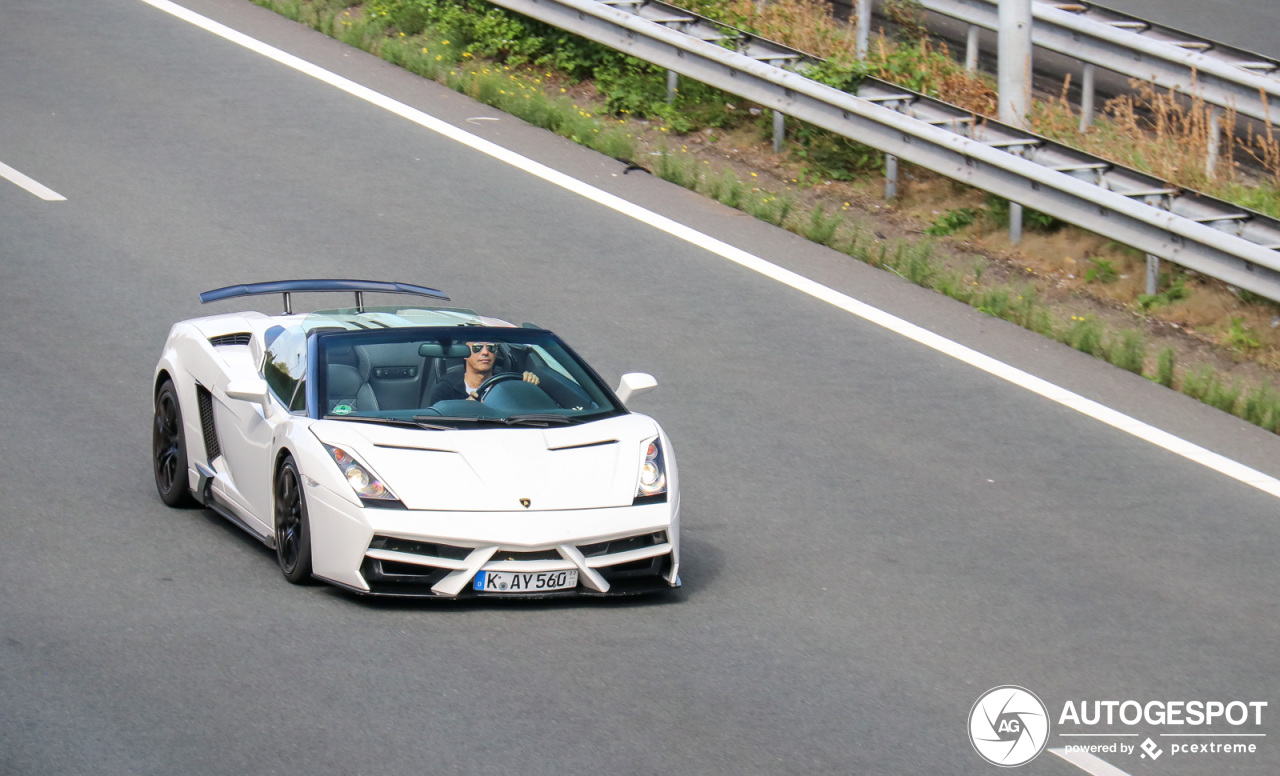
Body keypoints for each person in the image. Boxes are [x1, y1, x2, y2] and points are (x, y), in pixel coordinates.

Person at [428, 341, 539, 403]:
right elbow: (433, 426)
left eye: (491, 348)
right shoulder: (445, 390)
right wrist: (462, 409)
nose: (485, 352)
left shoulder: (508, 387)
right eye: (478, 347)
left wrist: (528, 386)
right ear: (465, 354)